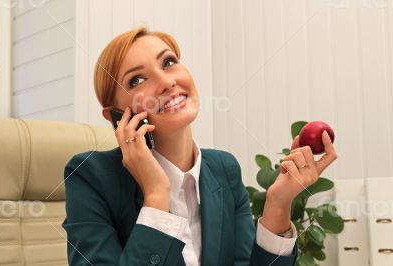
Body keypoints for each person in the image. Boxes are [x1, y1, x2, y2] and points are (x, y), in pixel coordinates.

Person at [62, 27, 338, 266]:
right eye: (137, 79)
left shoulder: (223, 169)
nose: (167, 82)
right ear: (116, 116)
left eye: (169, 62)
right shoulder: (90, 175)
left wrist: (278, 204)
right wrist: (157, 195)